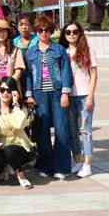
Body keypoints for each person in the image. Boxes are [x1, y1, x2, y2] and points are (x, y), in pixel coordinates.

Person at [25, 15, 74, 179]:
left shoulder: (59, 50)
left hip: (57, 93)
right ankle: (45, 166)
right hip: (39, 95)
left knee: (61, 130)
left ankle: (61, 167)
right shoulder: (31, 52)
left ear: (51, 31)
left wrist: (65, 93)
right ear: (36, 32)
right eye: (40, 30)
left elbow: (66, 71)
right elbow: (28, 76)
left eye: (46, 30)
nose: (43, 33)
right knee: (42, 132)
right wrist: (29, 95)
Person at [59, 22, 98, 178]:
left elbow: (94, 75)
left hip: (84, 95)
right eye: (68, 32)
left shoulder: (87, 50)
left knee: (86, 130)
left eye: (75, 32)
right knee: (73, 131)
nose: (72, 35)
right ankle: (77, 160)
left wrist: (90, 96)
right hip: (69, 96)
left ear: (80, 33)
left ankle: (87, 164)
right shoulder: (63, 52)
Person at [0, 77, 35, 189]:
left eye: (9, 90)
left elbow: (18, 125)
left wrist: (15, 104)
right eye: (2, 90)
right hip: (1, 146)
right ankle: (6, 167)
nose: (5, 93)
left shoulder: (21, 107)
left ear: (14, 92)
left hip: (20, 146)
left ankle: (21, 175)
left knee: (10, 151)